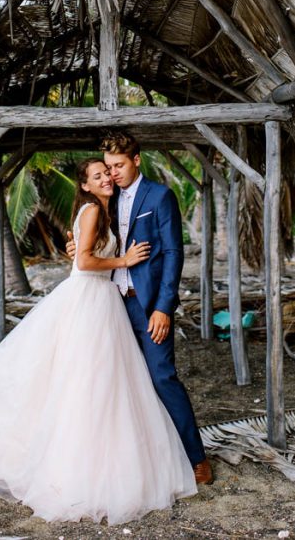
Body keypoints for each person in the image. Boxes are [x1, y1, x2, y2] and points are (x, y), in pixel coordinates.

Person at [0, 158, 197, 524]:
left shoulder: (106, 209)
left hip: (106, 303)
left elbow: (84, 251)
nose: (107, 178)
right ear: (85, 185)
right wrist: (123, 259)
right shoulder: (91, 211)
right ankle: (72, 468)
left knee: (107, 384)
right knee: (82, 382)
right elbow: (85, 263)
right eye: (99, 175)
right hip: (89, 300)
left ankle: (105, 459)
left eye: (109, 172)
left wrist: (93, 251)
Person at [66, 133, 213, 485]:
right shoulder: (107, 199)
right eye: (108, 167)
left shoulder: (160, 196)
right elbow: (88, 243)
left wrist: (164, 308)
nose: (112, 174)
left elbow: (174, 254)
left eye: (118, 166)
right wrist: (72, 248)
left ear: (136, 160)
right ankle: (137, 460)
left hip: (147, 306)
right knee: (118, 383)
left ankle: (196, 459)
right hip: (109, 306)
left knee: (162, 377)